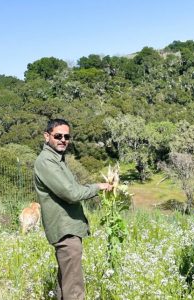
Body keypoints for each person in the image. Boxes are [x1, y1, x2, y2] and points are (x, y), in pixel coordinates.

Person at [34, 118, 112, 300]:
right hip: (65, 230)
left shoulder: (57, 160)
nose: (63, 139)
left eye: (66, 136)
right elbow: (71, 193)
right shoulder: (47, 162)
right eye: (58, 135)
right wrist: (98, 187)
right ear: (47, 136)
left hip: (68, 229)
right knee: (74, 289)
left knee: (66, 283)